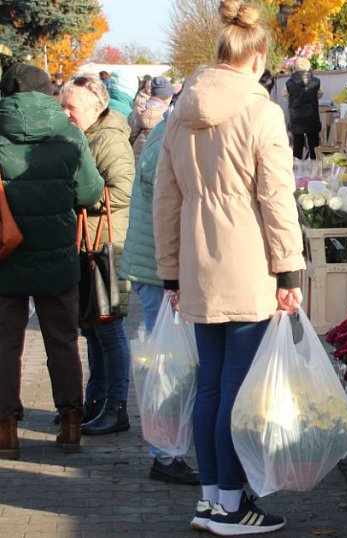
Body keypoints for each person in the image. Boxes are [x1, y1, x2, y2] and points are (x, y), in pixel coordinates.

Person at [154, 1, 304, 534]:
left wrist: (170, 272)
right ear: (258, 55)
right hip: (248, 265)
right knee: (238, 390)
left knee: (212, 385)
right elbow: (276, 197)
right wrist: (289, 271)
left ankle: (211, 500)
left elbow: (164, 201)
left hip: (196, 265)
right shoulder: (262, 112)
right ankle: (233, 506)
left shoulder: (178, 112)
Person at [0, 63, 104, 459]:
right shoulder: (70, 135)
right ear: (48, 93)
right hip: (58, 253)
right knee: (62, 340)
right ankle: (71, 422)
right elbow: (91, 192)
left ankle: (6, 429)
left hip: (4, 254)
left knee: (5, 343)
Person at [120, 111, 200, 485]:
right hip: (159, 274)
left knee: (173, 364)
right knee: (170, 366)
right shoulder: (170, 142)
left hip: (158, 270)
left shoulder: (168, 133)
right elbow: (173, 212)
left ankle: (168, 451)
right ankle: (164, 455)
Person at [59, 75, 136, 435]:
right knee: (92, 328)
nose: (65, 112)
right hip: (88, 244)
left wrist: (83, 196)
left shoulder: (109, 141)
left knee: (109, 327)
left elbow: (123, 191)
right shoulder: (85, 135)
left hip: (106, 247)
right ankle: (96, 400)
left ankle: (116, 406)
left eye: (70, 106)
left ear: (95, 107)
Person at [128, 76, 174, 163]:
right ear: (168, 97)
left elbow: (130, 135)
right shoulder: (169, 116)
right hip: (157, 161)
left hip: (134, 158)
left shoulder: (137, 110)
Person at [284, 57, 322, 159]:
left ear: (296, 68)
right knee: (314, 144)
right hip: (312, 116)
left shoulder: (289, 83)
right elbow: (320, 94)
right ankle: (315, 168)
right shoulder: (316, 81)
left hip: (296, 117)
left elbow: (286, 96)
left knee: (297, 145)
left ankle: (297, 169)